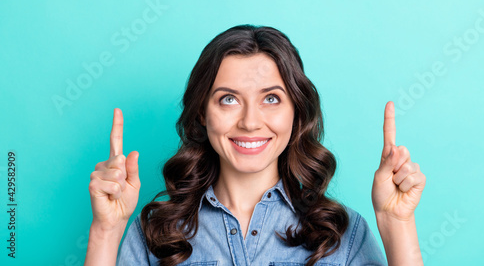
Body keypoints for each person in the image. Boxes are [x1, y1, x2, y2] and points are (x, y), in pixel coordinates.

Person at [84, 25, 426, 266]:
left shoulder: (342, 233)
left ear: (296, 112)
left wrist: (396, 223)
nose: (250, 121)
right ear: (203, 113)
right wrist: (106, 230)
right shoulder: (157, 233)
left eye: (272, 99)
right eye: (229, 99)